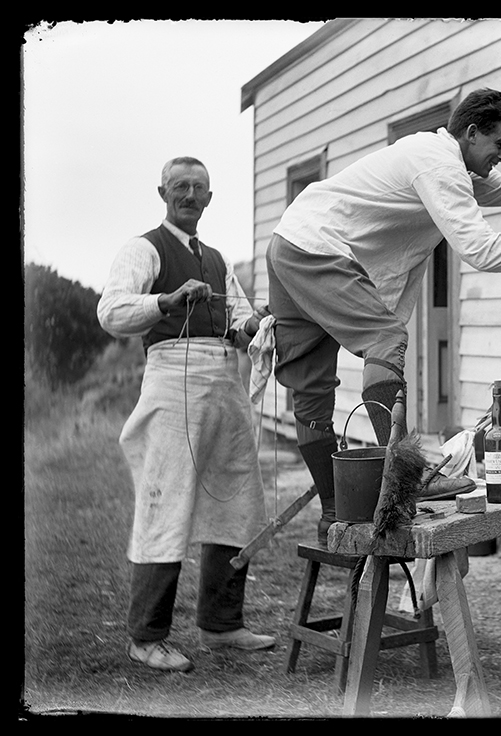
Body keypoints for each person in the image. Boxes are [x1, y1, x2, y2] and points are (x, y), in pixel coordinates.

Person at [266, 88, 501, 547]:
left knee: (310, 392)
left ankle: (334, 512)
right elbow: (480, 249)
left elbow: (500, 189)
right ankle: (404, 484)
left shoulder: (442, 156)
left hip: (290, 242)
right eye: (499, 145)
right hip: (319, 247)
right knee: (386, 338)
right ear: (470, 132)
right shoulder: (439, 164)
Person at [97, 157, 275, 673]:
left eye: (199, 188)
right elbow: (111, 311)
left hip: (223, 384)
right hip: (173, 379)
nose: (190, 195)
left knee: (238, 497)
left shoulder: (217, 260)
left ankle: (221, 624)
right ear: (163, 192)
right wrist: (166, 300)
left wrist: (256, 328)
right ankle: (145, 636)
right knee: (166, 500)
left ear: (211, 198)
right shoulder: (144, 248)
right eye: (181, 187)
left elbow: (239, 321)